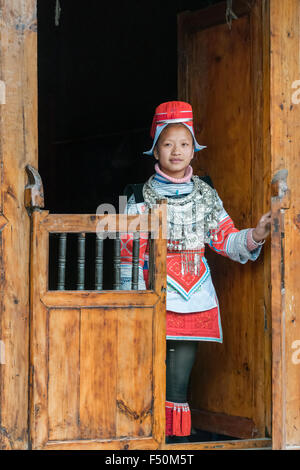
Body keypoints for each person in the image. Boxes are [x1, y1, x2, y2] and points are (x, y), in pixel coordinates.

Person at [120, 101, 271, 442]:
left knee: (178, 378)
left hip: (194, 296)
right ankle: (144, 436)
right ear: (155, 149)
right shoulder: (137, 197)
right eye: (168, 143)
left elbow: (226, 239)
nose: (177, 151)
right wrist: (131, 300)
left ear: (194, 150)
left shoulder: (206, 195)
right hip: (151, 294)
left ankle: (173, 442)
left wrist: (257, 233)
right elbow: (127, 253)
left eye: (184, 143)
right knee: (143, 370)